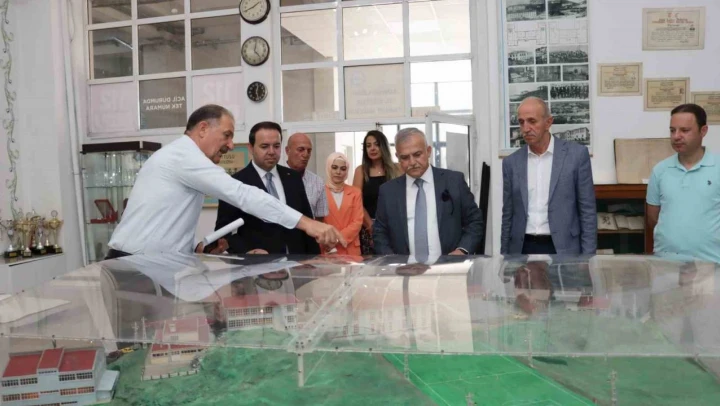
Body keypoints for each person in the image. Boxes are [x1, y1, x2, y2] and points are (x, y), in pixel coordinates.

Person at [107, 105, 344, 259]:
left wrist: (198, 247)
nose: (230, 145)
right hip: (135, 265)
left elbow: (167, 223)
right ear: (203, 129)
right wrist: (308, 224)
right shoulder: (183, 156)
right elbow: (243, 195)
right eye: (227, 135)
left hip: (153, 264)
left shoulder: (184, 157)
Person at [501, 97, 596, 256]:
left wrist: (588, 257)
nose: (526, 128)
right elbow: (508, 214)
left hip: (564, 247)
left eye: (532, 121)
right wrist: (505, 256)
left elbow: (587, 211)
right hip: (523, 248)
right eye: (521, 122)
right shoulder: (511, 163)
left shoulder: (576, 156)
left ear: (548, 122)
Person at [373, 128, 484, 260]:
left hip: (449, 266)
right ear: (398, 157)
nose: (412, 162)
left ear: (428, 151)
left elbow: (475, 221)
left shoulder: (453, 182)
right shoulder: (388, 191)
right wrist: (393, 260)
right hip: (404, 269)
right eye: (405, 157)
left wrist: (462, 250)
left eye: (417, 154)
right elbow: (379, 232)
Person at [214, 122, 320, 255]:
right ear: (251, 148)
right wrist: (247, 251)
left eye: (276, 146)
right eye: (264, 146)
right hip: (257, 264)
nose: (271, 152)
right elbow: (223, 233)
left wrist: (315, 259)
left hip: (296, 262)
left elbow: (307, 221)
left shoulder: (293, 177)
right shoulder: (235, 183)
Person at [647, 103, 720, 264]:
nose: (676, 136)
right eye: (672, 130)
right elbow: (653, 218)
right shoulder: (660, 170)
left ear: (703, 131)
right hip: (666, 264)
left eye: (685, 130)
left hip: (712, 264)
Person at [352, 130, 400, 254]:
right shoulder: (361, 171)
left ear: (383, 146)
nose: (372, 148)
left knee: (394, 261)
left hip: (394, 225)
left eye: (376, 144)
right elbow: (357, 202)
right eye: (368, 146)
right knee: (370, 263)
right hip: (368, 226)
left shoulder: (397, 168)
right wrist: (371, 226)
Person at [322, 152, 364, 256]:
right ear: (328, 168)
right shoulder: (320, 191)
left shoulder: (355, 192)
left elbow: (358, 221)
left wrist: (337, 239)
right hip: (328, 248)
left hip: (350, 247)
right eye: (334, 167)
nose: (338, 172)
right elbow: (318, 221)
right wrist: (331, 241)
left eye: (343, 169)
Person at [285, 133, 328, 220]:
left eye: (309, 151)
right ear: (287, 150)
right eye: (300, 149)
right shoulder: (274, 177)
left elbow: (319, 219)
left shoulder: (317, 182)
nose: (305, 154)